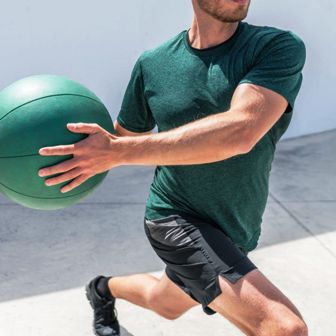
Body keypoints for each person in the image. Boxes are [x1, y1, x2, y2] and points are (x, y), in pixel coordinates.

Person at [38, 0, 308, 335]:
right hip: (174, 219)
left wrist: (117, 150)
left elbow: (241, 131)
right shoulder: (154, 64)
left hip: (236, 226)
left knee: (163, 303)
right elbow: (121, 137)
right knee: (283, 328)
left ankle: (102, 289)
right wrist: (69, 144)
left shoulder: (275, 47)